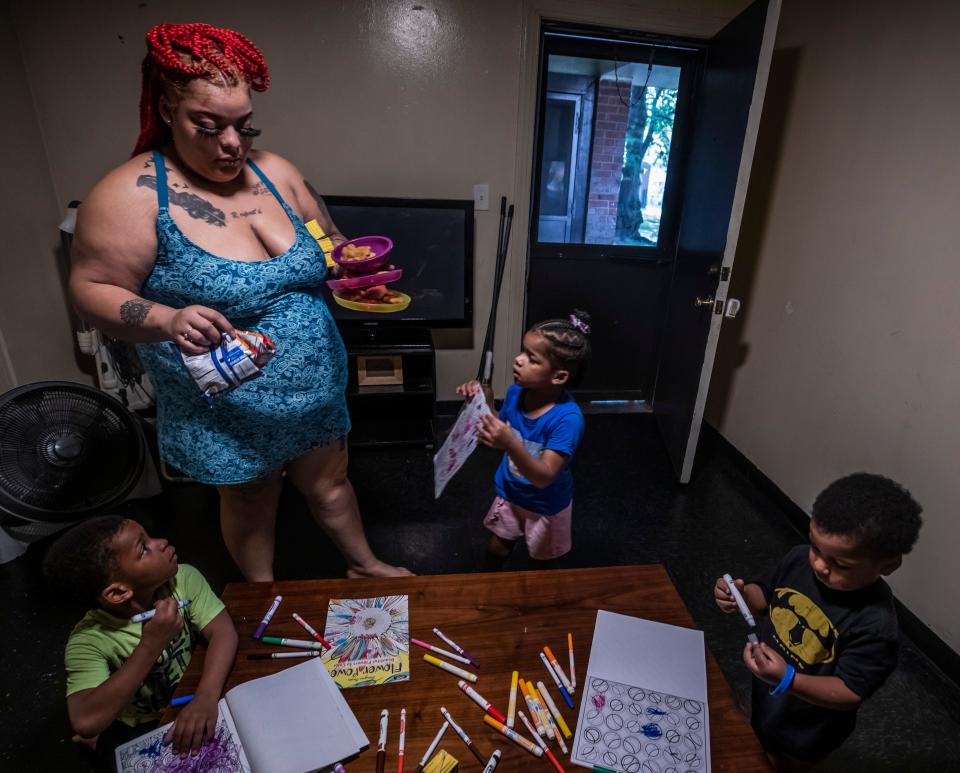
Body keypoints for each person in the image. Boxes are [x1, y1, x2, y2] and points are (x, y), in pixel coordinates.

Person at [69, 23, 408, 581]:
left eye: (243, 127)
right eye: (209, 126)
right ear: (166, 112)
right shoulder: (129, 195)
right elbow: (91, 291)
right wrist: (166, 317)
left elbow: (329, 240)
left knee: (331, 483)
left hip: (315, 390)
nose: (232, 144)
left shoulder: (277, 173)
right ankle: (260, 593)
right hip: (230, 408)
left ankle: (363, 565)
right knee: (252, 499)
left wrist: (355, 266)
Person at [714, 473, 923, 771]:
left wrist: (787, 679)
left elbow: (850, 693)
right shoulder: (799, 560)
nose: (820, 565)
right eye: (815, 547)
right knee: (753, 739)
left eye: (840, 564)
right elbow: (765, 596)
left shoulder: (875, 624)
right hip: (769, 698)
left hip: (806, 731)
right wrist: (741, 595)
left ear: (887, 566)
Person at [43, 516, 238, 768]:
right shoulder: (88, 642)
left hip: (191, 696)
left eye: (150, 537)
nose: (162, 543)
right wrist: (151, 645)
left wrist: (206, 695)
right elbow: (85, 720)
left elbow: (223, 632)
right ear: (118, 592)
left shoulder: (183, 579)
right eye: (144, 548)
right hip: (138, 724)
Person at [457, 311, 590, 568]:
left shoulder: (567, 420)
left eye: (532, 358)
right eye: (522, 351)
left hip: (545, 505)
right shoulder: (517, 392)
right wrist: (482, 402)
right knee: (496, 550)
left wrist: (510, 443)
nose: (518, 360)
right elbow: (501, 426)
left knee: (542, 563)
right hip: (512, 493)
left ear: (559, 377)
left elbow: (544, 476)